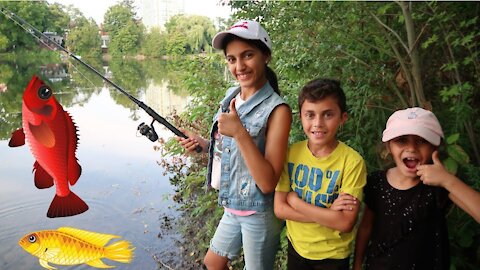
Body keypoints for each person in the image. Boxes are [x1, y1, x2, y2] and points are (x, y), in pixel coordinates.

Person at [176, 20, 292, 270]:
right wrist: (205, 145)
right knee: (211, 265)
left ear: (266, 56)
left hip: (258, 214)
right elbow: (230, 152)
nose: (239, 66)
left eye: (247, 55)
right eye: (231, 59)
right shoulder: (230, 96)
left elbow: (268, 181)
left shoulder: (278, 110)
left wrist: (240, 132)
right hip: (231, 208)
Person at [353, 107, 480, 270]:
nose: (411, 148)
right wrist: (357, 264)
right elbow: (366, 227)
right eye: (402, 140)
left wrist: (448, 180)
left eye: (421, 141)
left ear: (435, 147)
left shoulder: (438, 185)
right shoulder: (376, 182)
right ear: (388, 147)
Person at [274, 78, 367, 270]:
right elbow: (279, 210)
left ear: (343, 118)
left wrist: (296, 202)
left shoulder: (352, 161)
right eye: (310, 115)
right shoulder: (290, 153)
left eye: (328, 115)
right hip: (297, 248)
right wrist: (329, 213)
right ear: (301, 117)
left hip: (332, 255)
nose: (318, 123)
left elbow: (344, 223)